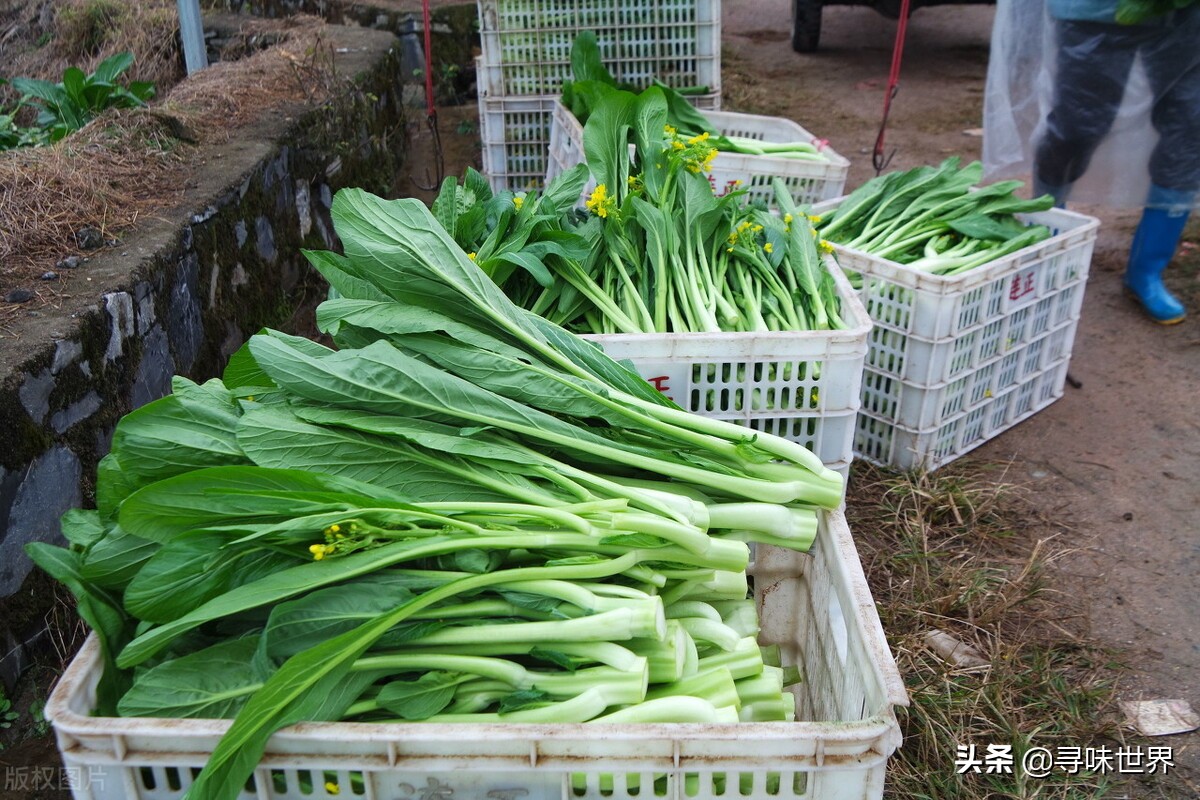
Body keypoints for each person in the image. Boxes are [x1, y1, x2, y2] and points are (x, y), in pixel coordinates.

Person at [984, 0, 1200, 324]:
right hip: (1093, 10)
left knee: (1188, 130)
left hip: (1185, 17)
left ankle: (1146, 272)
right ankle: (1046, 246)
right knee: (1075, 129)